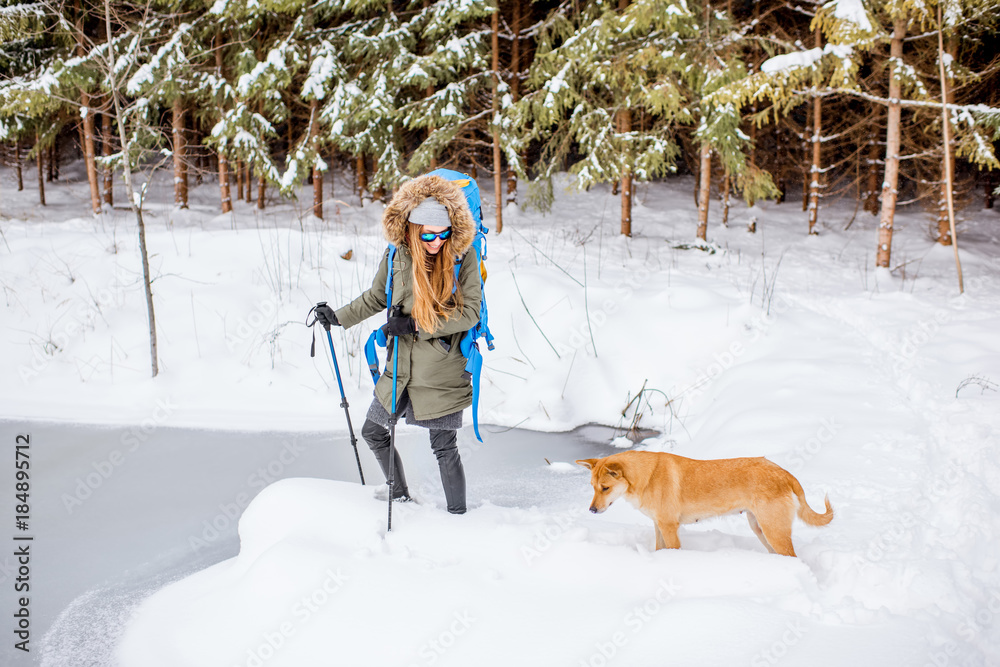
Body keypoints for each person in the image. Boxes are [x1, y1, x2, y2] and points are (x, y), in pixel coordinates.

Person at [313, 174, 482, 514]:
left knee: (444, 446)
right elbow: (378, 296)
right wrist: (339, 317)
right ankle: (401, 500)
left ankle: (459, 518)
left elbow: (471, 313)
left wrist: (418, 323)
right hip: (400, 366)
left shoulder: (463, 258)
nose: (437, 241)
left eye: (444, 233)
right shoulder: (396, 257)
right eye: (429, 234)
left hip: (442, 368)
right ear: (411, 229)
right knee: (373, 431)